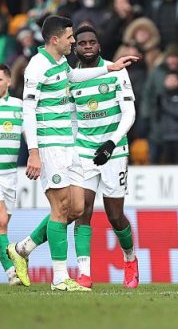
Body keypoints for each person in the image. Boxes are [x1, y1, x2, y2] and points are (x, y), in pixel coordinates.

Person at [6, 15, 137, 291]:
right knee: (62, 208)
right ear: (56, 39)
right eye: (70, 37)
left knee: (75, 208)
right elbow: (29, 111)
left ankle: (22, 249)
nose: (74, 41)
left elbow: (73, 76)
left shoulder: (59, 63)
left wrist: (109, 68)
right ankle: (61, 278)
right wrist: (33, 152)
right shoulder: (37, 67)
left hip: (70, 147)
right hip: (51, 146)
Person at [70, 25, 138, 289]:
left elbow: (129, 113)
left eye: (92, 42)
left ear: (99, 46)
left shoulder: (116, 72)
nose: (87, 46)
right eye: (82, 43)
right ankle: (84, 273)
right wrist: (75, 148)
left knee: (114, 215)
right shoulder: (71, 78)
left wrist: (111, 142)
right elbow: (74, 118)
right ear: (75, 47)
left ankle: (130, 258)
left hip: (114, 149)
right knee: (82, 209)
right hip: (84, 151)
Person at [0, 64, 23, 286]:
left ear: (8, 81)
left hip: (11, 175)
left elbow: (31, 135)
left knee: (4, 225)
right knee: (0, 223)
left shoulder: (18, 107)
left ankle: (11, 271)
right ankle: (11, 272)